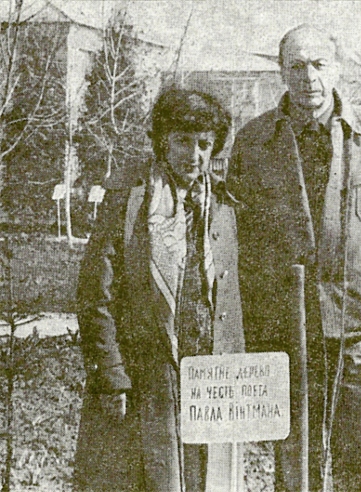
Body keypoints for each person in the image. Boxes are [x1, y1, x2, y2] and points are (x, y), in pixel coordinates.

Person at [228, 24, 361, 492]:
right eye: (297, 66)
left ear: (337, 68)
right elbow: (242, 235)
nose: (309, 77)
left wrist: (355, 269)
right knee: (296, 464)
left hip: (358, 330)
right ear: (282, 72)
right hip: (288, 330)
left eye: (319, 64)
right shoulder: (253, 141)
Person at [74, 88, 245, 492]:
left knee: (206, 478)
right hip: (144, 378)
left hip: (208, 377)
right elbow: (96, 295)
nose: (194, 154)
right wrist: (112, 375)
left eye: (204, 144)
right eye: (183, 141)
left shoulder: (224, 205)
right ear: (163, 141)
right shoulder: (130, 200)